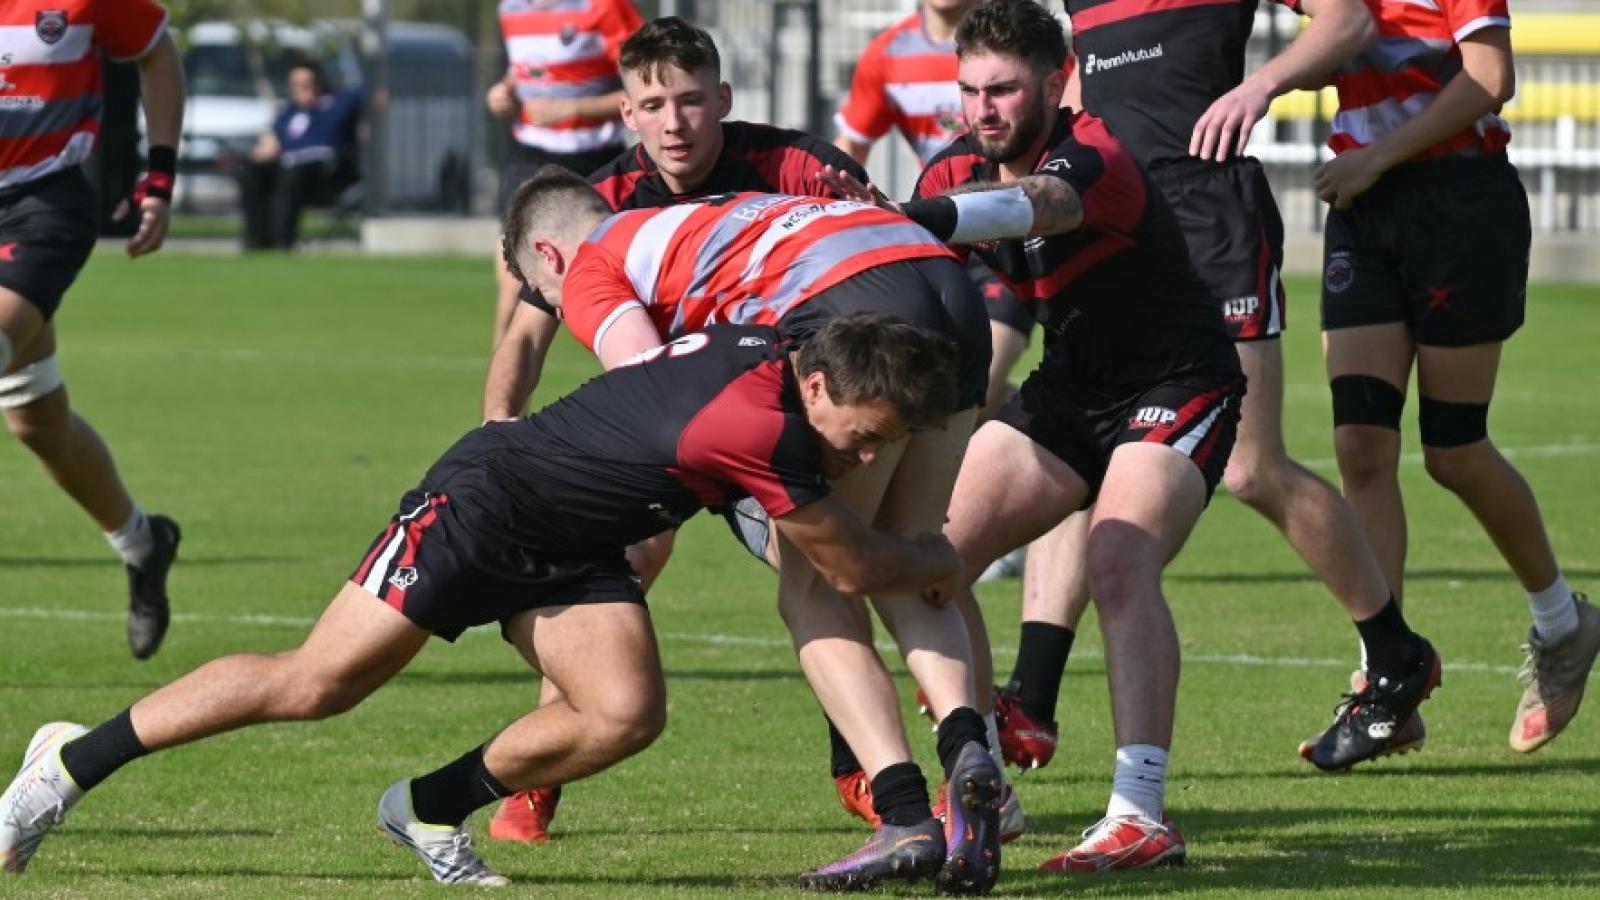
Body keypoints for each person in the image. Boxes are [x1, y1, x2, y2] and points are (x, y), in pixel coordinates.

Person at [0, 313, 979, 887]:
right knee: (315, 685)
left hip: (578, 537)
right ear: (812, 383)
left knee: (623, 714)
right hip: (483, 506)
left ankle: (425, 809)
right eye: (859, 437)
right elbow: (847, 570)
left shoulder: (794, 352)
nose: (861, 455)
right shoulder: (750, 424)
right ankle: (62, 767)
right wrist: (938, 555)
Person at [503, 171, 1002, 893]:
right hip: (944, 281)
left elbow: (655, 395)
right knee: (912, 558)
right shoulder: (697, 219)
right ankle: (969, 749)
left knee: (819, 584)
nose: (557, 309)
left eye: (542, 296)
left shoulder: (592, 268)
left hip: (853, 304)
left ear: (547, 256)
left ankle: (902, 814)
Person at [985, 0, 1445, 777]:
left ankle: (1396, 655)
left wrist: (1258, 86)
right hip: (1110, 225)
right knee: (1083, 437)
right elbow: (1077, 90)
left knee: (1251, 469)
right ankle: (1030, 699)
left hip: (1210, 220)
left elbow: (1350, 21)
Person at [477, 16, 880, 844]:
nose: (674, 121)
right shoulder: (602, 201)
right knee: (609, 577)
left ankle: (867, 774)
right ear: (625, 113)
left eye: (691, 100)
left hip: (773, 429)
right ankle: (542, 772)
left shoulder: (795, 167)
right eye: (653, 103)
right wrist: (497, 434)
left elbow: (874, 260)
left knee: (831, 569)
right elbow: (521, 335)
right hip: (655, 434)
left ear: (723, 99)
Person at [1305, 0, 1598, 755]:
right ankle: (1387, 685)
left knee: (1453, 450)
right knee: (1361, 445)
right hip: (1364, 208)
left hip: (1458, 203)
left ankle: (1565, 626)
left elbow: (1491, 77)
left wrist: (1376, 155)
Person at [0, 0, 185, 660]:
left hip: (39, 209)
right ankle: (143, 543)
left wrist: (158, 177)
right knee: (35, 420)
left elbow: (158, 53)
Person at [487, 0, 643, 348]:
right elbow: (527, 70)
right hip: (529, 155)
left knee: (609, 282)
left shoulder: (605, 7)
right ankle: (507, 403)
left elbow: (644, 85)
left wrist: (574, 108)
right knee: (514, 286)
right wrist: (504, 92)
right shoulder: (512, 9)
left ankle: (634, 381)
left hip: (594, 159)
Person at [237, 59, 362, 251]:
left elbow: (372, 91)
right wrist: (267, 148)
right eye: (295, 84)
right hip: (288, 167)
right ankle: (256, 241)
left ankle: (283, 242)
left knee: (292, 174)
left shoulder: (338, 104)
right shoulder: (289, 114)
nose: (301, 89)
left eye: (306, 83)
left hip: (324, 172)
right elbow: (274, 138)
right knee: (249, 168)